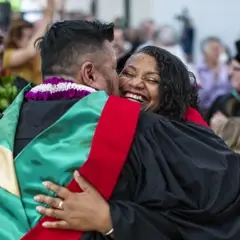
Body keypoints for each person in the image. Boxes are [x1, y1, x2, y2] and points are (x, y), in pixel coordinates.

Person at [0, 21, 240, 240]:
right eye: (118, 70)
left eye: (152, 79)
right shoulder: (137, 128)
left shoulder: (6, 127)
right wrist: (114, 220)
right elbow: (225, 193)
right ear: (90, 74)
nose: (126, 83)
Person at [2, 0, 55, 85]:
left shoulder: (36, 55)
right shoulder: (7, 55)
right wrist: (47, 18)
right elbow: (30, 51)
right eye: (29, 37)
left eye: (32, 36)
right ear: (16, 39)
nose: (33, 40)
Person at [209, 40, 240, 152]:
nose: (230, 73)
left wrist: (226, 126)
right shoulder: (222, 100)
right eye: (230, 67)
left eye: (236, 69)